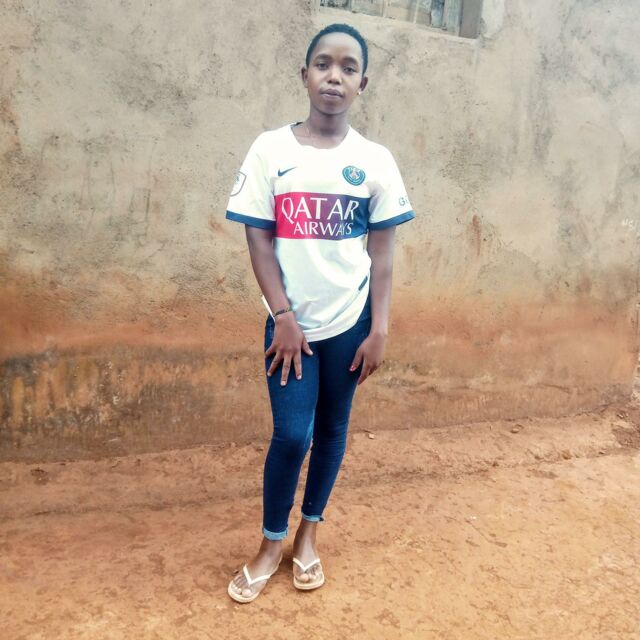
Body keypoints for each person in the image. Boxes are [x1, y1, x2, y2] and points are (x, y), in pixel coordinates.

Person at [225, 23, 415, 603]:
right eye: (324, 64)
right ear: (305, 75)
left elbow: (382, 255)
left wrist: (380, 328)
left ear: (362, 83)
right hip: (290, 328)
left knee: (332, 428)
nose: (335, 77)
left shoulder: (375, 161)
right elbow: (258, 239)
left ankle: (308, 536)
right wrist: (282, 315)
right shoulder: (270, 150)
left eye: (348, 68)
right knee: (290, 435)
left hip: (351, 325)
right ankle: (270, 544)